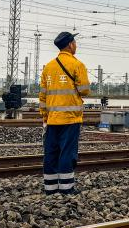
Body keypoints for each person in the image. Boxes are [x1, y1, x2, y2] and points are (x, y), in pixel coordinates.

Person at [38, 31, 90, 195]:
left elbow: (42, 95)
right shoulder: (77, 65)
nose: (76, 45)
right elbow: (84, 90)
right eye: (75, 42)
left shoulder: (48, 67)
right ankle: (67, 189)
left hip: (52, 120)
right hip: (70, 119)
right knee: (67, 153)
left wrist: (45, 116)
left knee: (51, 153)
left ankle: (50, 188)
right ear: (70, 45)